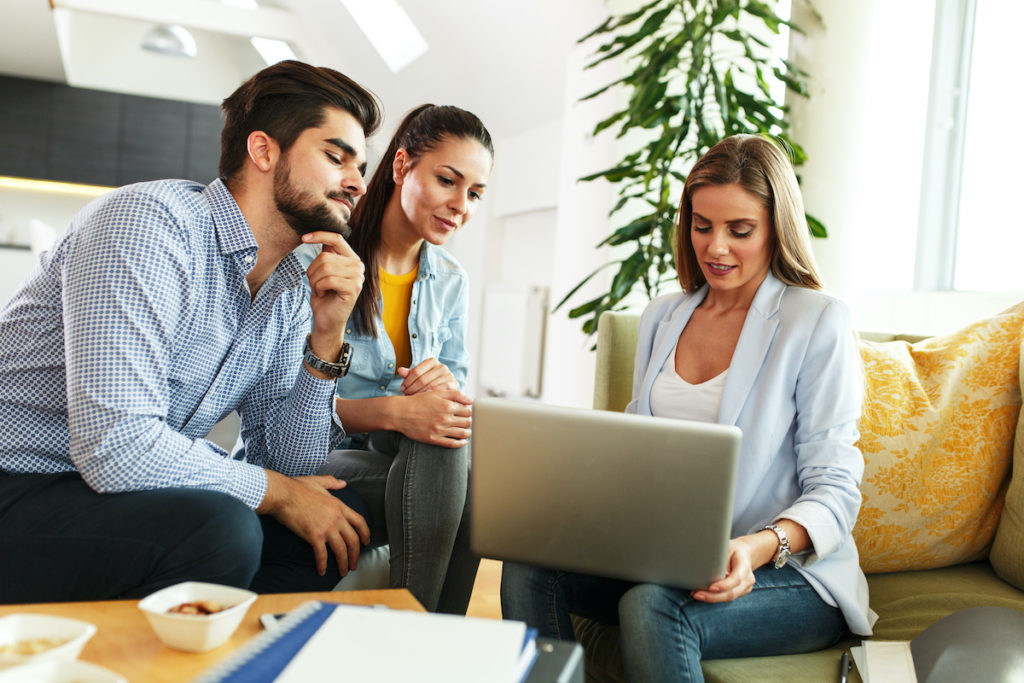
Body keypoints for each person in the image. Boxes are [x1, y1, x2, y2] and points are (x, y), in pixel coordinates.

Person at [0, 60, 386, 603]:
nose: (358, 183)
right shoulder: (149, 225)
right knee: (222, 529)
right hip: (20, 481)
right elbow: (116, 446)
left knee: (339, 523)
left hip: (106, 489)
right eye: (335, 156)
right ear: (264, 151)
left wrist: (328, 335)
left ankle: (228, 657)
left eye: (360, 166)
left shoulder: (294, 286)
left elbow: (287, 464)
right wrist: (279, 494)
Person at [500, 134, 874, 681]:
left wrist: (754, 547)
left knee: (652, 604)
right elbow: (634, 453)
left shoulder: (816, 321)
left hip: (786, 573)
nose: (716, 247)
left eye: (739, 230)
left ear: (776, 228)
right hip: (663, 556)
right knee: (530, 567)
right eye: (703, 226)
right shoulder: (662, 316)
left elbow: (836, 490)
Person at [296, 104, 493, 614]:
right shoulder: (322, 258)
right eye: (448, 181)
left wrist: (441, 384)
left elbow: (455, 402)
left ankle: (419, 634)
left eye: (474, 193)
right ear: (402, 165)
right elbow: (281, 401)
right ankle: (427, 631)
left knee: (448, 437)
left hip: (401, 452)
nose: (461, 205)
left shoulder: (451, 279)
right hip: (318, 446)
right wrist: (395, 412)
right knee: (458, 471)